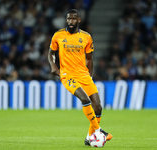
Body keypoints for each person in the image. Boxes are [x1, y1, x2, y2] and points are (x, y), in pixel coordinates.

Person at [48, 9, 113, 146]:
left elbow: (90, 58)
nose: (71, 21)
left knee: (98, 107)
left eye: (73, 19)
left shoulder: (86, 37)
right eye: (68, 19)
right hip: (67, 75)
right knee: (85, 98)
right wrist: (54, 66)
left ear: (79, 20)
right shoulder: (58, 35)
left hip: (83, 74)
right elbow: (51, 54)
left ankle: (90, 137)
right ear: (66, 20)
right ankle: (99, 131)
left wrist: (90, 75)